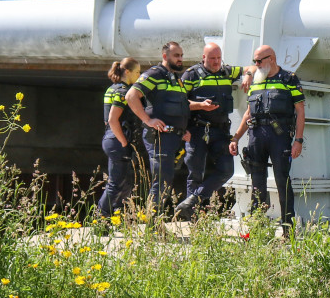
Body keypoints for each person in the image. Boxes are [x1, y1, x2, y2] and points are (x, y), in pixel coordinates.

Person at [229, 45, 305, 230]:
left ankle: (288, 229)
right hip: (256, 137)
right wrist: (236, 138)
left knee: (282, 181)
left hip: (279, 138)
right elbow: (248, 113)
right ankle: (258, 229)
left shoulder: (289, 79)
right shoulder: (256, 80)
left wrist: (298, 140)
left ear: (272, 58)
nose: (256, 64)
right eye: (255, 60)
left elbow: (300, 111)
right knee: (257, 185)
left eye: (259, 60)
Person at [176, 43, 243, 220]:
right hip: (197, 130)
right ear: (203, 58)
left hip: (221, 132)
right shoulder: (191, 74)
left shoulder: (227, 72)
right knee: (195, 173)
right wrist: (200, 106)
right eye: (212, 58)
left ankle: (192, 200)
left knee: (227, 170)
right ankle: (192, 217)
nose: (216, 62)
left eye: (218, 58)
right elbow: (179, 102)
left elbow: (251, 68)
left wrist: (249, 75)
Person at [126, 42, 191, 213]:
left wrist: (183, 130)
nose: (180, 59)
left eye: (181, 55)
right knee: (161, 180)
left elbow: (178, 107)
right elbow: (131, 96)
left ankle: (156, 222)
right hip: (159, 137)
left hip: (174, 137)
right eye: (176, 55)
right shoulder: (154, 74)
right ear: (165, 56)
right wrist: (148, 120)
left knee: (166, 180)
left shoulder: (177, 78)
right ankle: (152, 225)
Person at [97, 57, 140, 218]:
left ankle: (116, 215)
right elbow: (112, 119)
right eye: (137, 72)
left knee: (125, 183)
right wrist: (123, 141)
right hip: (117, 139)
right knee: (116, 184)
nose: (139, 76)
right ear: (127, 72)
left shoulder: (112, 89)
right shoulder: (123, 91)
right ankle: (101, 217)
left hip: (111, 138)